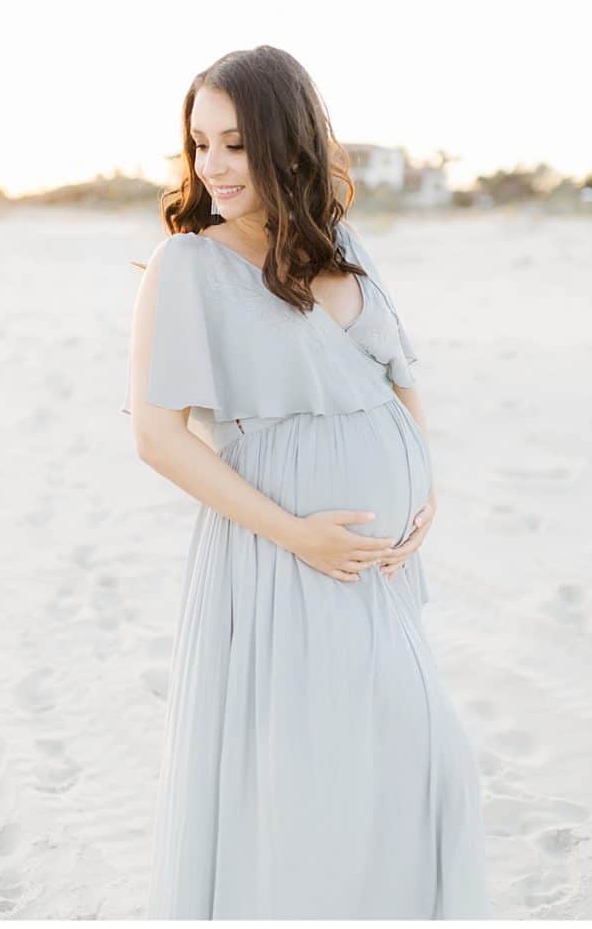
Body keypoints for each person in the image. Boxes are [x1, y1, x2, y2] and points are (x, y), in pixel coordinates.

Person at [120, 45, 490, 919]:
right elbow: (156, 438)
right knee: (310, 774)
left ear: (285, 142)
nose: (211, 166)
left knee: (413, 764)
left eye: (235, 144)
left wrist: (422, 484)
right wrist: (299, 536)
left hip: (381, 568)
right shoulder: (190, 267)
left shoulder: (340, 243)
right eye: (199, 143)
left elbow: (397, 374)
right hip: (284, 555)